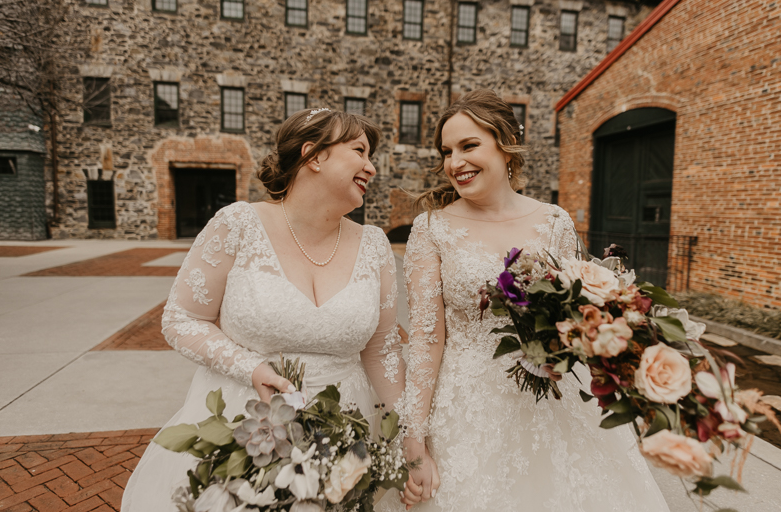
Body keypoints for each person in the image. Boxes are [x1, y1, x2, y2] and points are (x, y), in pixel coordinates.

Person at [392, 90, 670, 511]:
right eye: (446, 151)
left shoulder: (553, 220)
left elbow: (580, 316)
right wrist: (415, 440)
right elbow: (428, 341)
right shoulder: (431, 229)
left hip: (550, 402)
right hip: (468, 411)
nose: (454, 163)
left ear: (505, 147)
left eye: (469, 146)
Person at [122, 108, 408, 511]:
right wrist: (250, 369)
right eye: (360, 151)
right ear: (314, 155)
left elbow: (382, 349)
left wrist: (409, 434)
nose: (371, 167)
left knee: (340, 507)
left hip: (350, 435)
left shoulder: (375, 244)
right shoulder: (238, 224)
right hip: (248, 427)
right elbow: (181, 318)